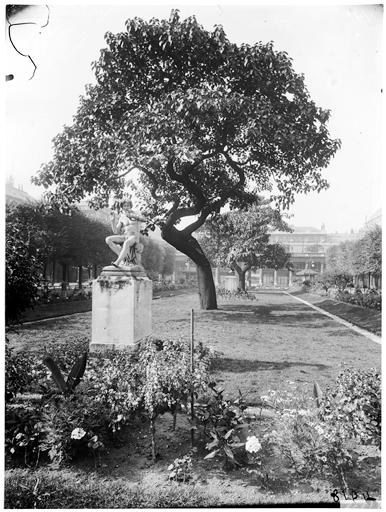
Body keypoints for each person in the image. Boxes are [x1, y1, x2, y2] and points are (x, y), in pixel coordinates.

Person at [105, 199, 147, 267]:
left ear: (131, 206)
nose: (126, 207)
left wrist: (132, 216)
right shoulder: (122, 217)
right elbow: (116, 231)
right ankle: (122, 257)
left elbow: (145, 219)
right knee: (108, 239)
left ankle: (117, 262)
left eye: (128, 206)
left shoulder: (135, 214)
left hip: (134, 236)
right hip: (125, 236)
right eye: (125, 206)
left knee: (127, 242)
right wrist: (112, 221)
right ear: (122, 207)